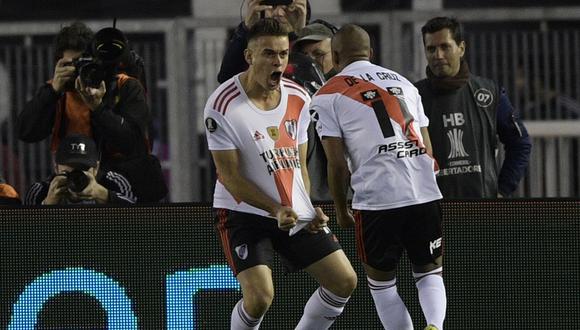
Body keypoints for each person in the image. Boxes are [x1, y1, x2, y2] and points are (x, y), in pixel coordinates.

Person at [204, 19, 356, 329]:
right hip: (242, 212)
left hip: (288, 209)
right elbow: (229, 177)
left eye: (284, 54)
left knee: (344, 281)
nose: (278, 62)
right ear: (249, 56)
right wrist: (275, 209)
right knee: (260, 298)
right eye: (269, 54)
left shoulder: (299, 98)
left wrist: (307, 206)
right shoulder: (222, 105)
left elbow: (298, 165)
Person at [311, 24, 446, 330]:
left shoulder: (326, 95)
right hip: (424, 191)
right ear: (371, 53)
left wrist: (342, 209)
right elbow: (427, 145)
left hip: (377, 199)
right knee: (429, 274)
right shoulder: (406, 85)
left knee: (382, 285)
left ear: (335, 55)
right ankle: (435, 325)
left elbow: (336, 164)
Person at [16, 22, 166, 202]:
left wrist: (98, 108)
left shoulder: (124, 86)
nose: (80, 71)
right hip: (72, 181)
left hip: (123, 184)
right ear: (59, 63)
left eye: (85, 63)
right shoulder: (56, 93)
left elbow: (132, 144)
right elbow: (26, 132)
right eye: (73, 64)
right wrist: (53, 91)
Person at [415, 16, 532, 198]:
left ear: (461, 48)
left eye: (445, 47)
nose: (438, 55)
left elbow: (520, 143)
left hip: (481, 210)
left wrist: (502, 190)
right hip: (432, 211)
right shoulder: (413, 96)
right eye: (431, 49)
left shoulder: (488, 92)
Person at [24, 134, 136, 205]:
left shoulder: (113, 183)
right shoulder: (40, 191)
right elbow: (24, 235)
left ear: (96, 168)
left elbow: (139, 219)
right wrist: (48, 203)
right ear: (56, 168)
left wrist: (104, 195)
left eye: (83, 169)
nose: (76, 177)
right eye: (69, 172)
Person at [217, 0, 310, 83]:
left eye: (287, 7)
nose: (279, 13)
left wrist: (302, 33)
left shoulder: (315, 41)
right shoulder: (251, 42)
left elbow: (312, 83)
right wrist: (247, 29)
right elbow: (226, 79)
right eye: (272, 6)